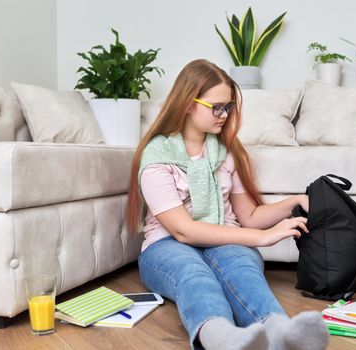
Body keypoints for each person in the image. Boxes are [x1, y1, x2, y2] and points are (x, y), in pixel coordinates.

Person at [126, 59, 329, 350]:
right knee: (194, 274)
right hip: (167, 245)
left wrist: (295, 202)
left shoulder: (225, 153)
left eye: (228, 107)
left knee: (243, 270)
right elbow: (184, 231)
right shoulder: (157, 157)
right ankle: (221, 338)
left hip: (224, 238)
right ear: (187, 103)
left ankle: (281, 332)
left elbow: (249, 215)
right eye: (216, 107)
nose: (223, 115)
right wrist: (261, 238)